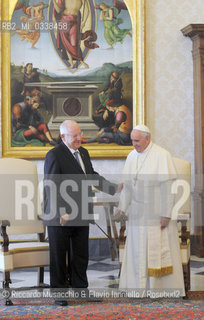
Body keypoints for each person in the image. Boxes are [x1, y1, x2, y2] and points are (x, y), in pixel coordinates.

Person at [44, 120, 117, 306]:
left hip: (81, 211)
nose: (79, 138)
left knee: (80, 255)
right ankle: (59, 293)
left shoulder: (83, 152)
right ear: (63, 137)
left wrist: (113, 188)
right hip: (60, 215)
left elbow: (90, 175)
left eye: (80, 134)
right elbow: (51, 186)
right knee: (59, 255)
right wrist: (61, 211)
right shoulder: (54, 155)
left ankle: (80, 291)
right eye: (74, 136)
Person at [115, 125, 185, 297]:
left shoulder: (162, 155)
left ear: (147, 138)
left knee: (157, 251)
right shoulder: (132, 156)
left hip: (157, 213)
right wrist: (121, 207)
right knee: (137, 251)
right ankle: (138, 289)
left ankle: (159, 290)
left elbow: (168, 189)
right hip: (138, 213)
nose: (134, 144)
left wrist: (166, 214)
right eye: (132, 140)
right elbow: (128, 188)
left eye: (137, 140)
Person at [53, 0, 98, 69]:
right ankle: (71, 63)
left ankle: (81, 61)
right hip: (63, 20)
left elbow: (86, 10)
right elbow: (59, 11)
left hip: (75, 20)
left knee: (74, 43)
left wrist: (84, 21)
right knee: (66, 43)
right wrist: (53, 1)